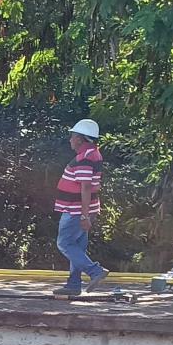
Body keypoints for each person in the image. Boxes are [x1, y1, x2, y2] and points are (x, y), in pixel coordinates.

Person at [53, 119, 109, 298]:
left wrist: (84, 216)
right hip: (82, 209)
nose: (70, 140)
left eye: (72, 136)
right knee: (77, 246)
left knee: (65, 243)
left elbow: (85, 186)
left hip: (76, 210)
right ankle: (73, 284)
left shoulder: (85, 158)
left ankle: (94, 271)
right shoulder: (92, 154)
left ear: (79, 139)